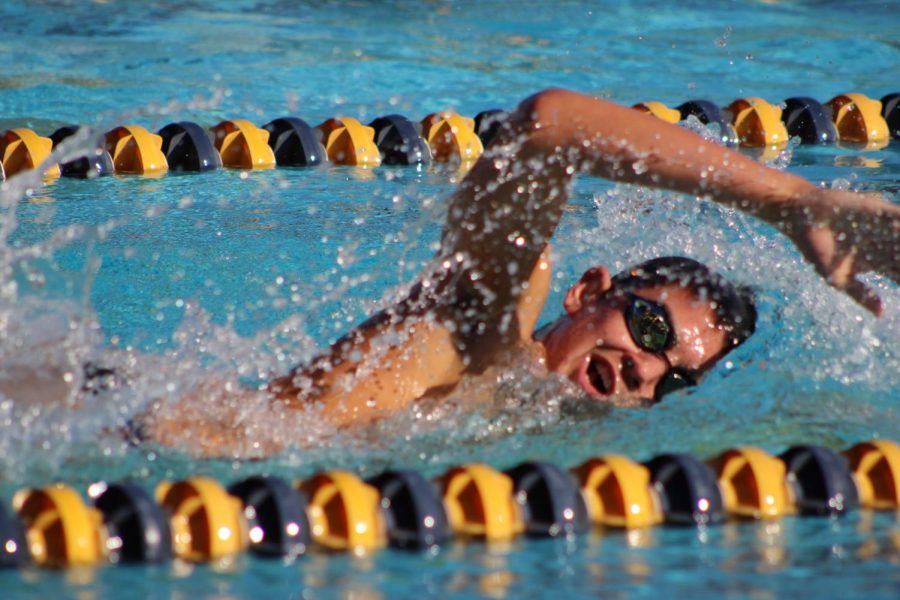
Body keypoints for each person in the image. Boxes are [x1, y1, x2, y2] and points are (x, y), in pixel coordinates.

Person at [140, 88, 900, 454]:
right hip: (130, 431)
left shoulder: (528, 433)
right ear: (590, 290)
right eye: (649, 325)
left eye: (670, 377)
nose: (641, 367)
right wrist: (788, 201)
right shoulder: (486, 329)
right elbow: (548, 126)